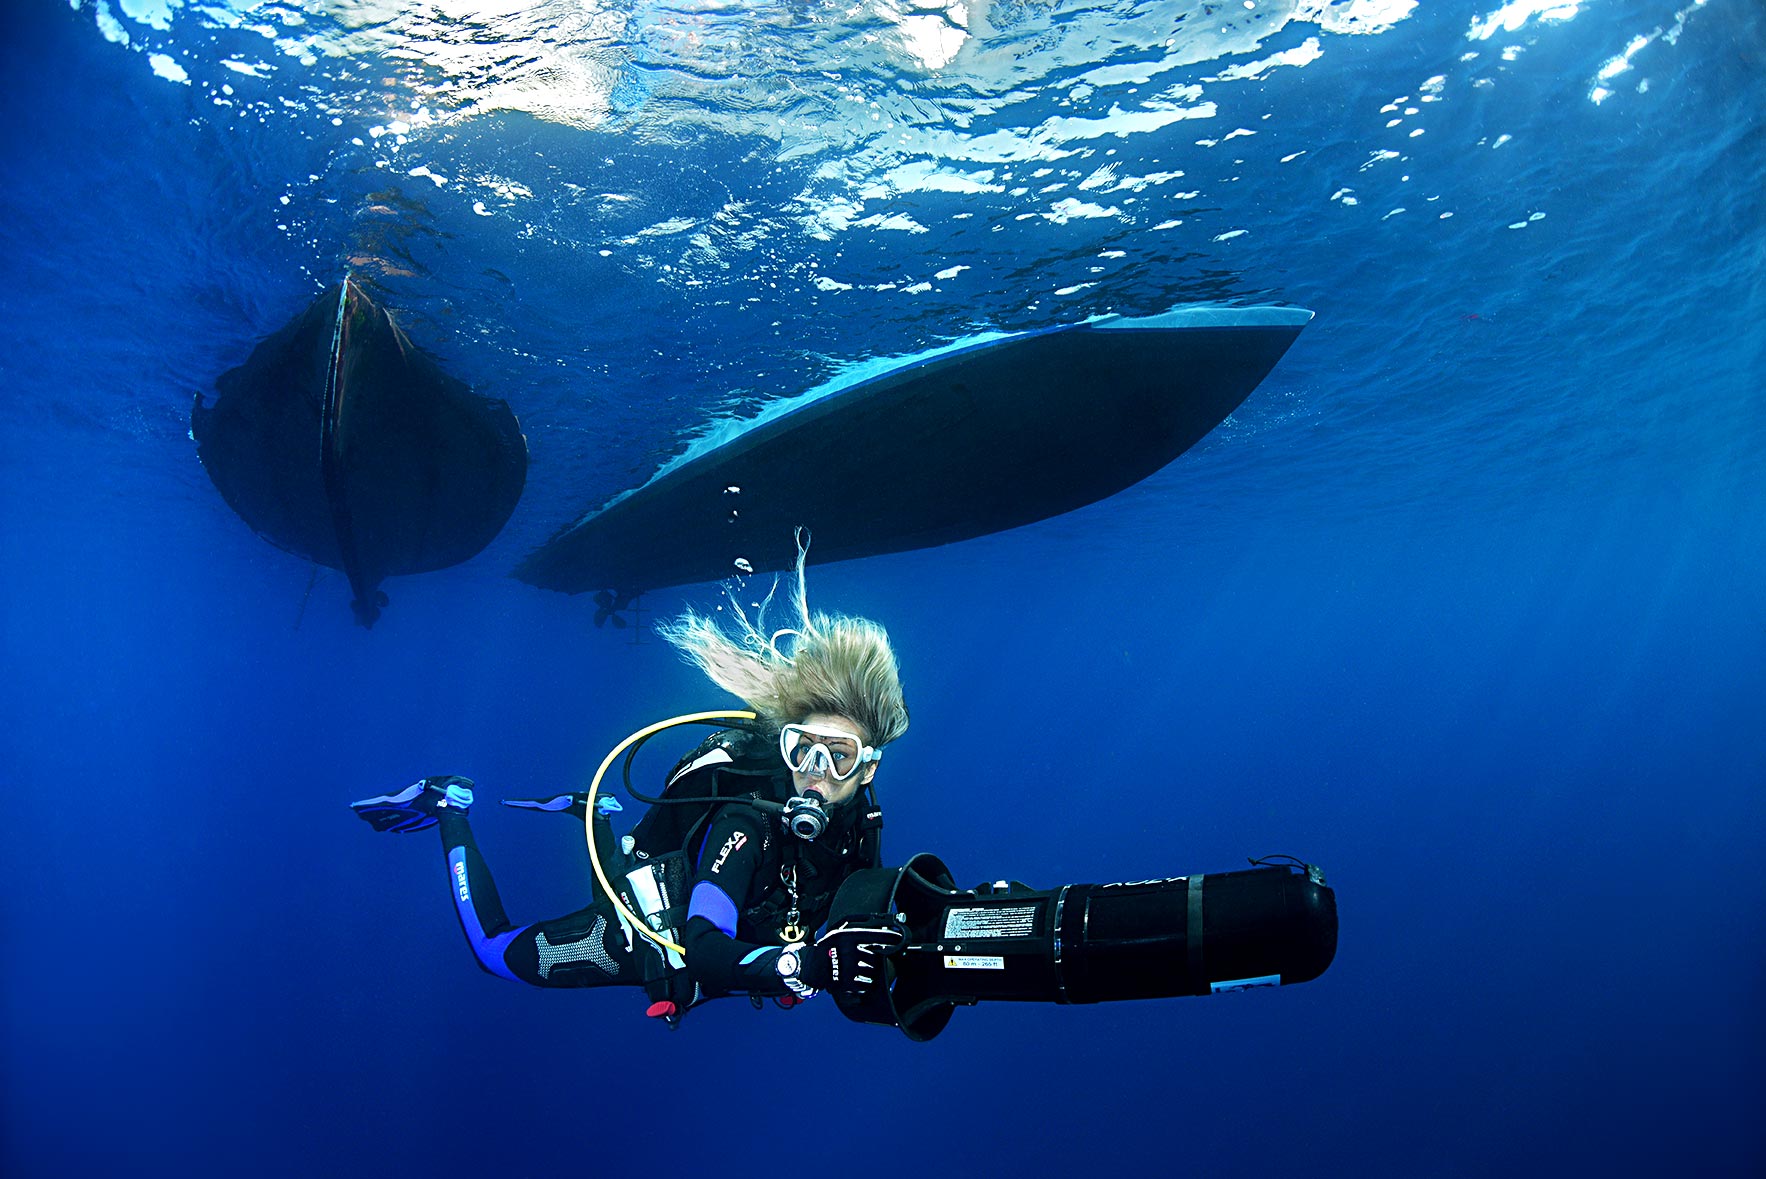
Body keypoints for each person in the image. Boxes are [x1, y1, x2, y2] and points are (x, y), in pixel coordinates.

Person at [350, 553, 910, 1019]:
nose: (814, 771)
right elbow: (704, 945)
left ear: (868, 770)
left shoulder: (863, 822)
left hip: (733, 933)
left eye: (839, 757)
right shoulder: (747, 820)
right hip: (649, 924)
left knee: (610, 868)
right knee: (494, 953)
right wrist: (802, 966)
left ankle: (592, 813)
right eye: (801, 749)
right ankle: (449, 805)